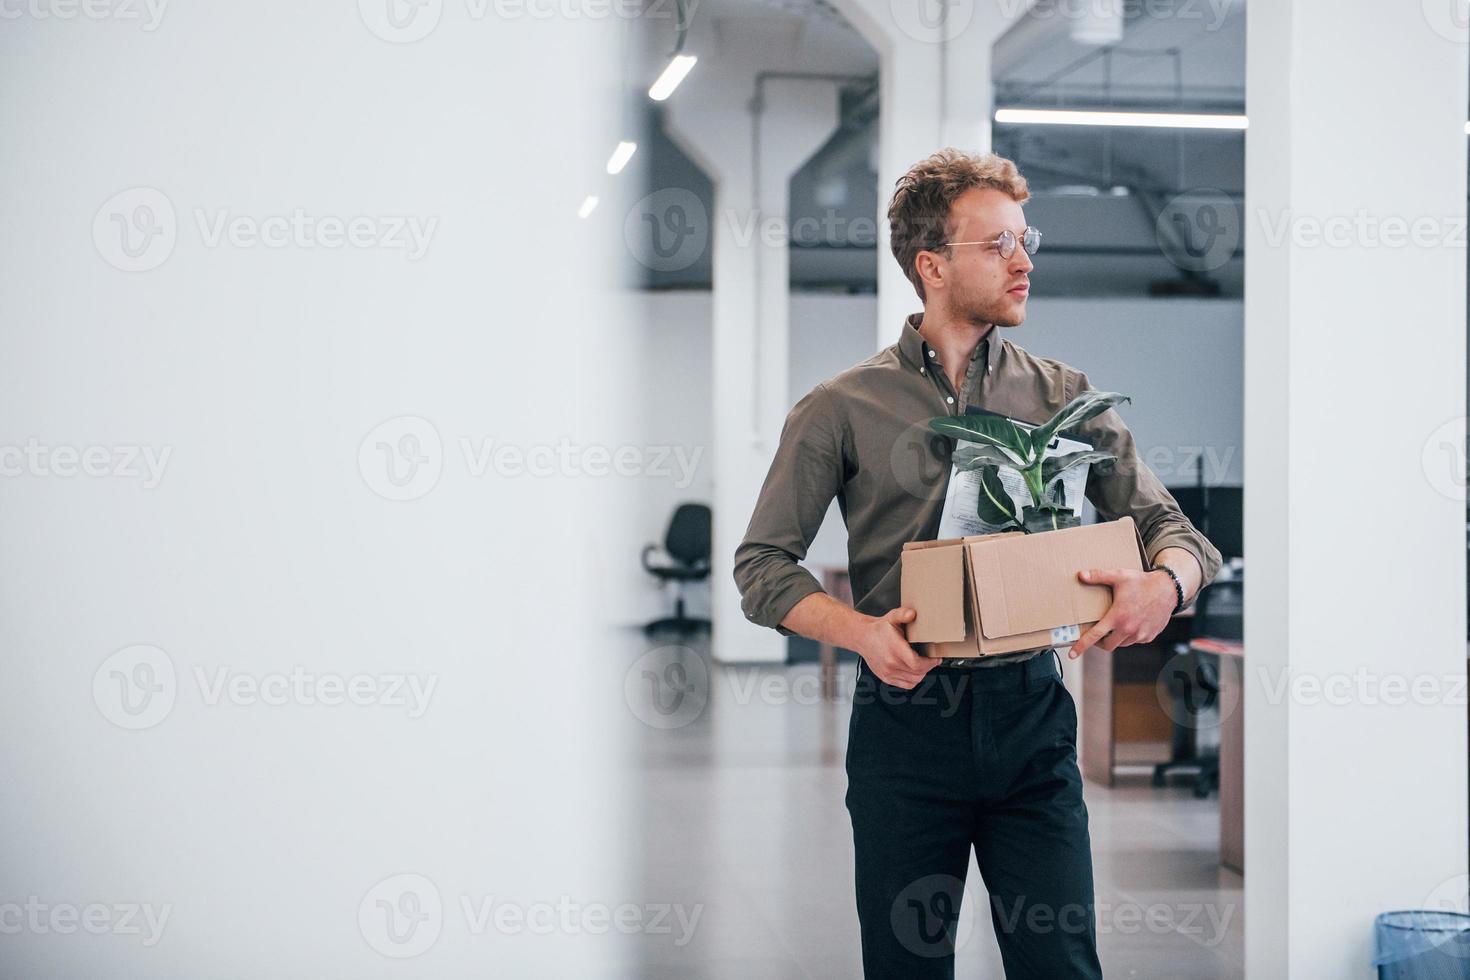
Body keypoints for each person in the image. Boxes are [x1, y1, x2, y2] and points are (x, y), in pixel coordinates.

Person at [733, 148, 1222, 978]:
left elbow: (1173, 529)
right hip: (905, 721)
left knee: (1061, 962)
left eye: (1026, 239)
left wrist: (1165, 582)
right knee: (908, 964)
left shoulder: (1064, 393)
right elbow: (762, 565)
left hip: (1032, 714)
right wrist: (858, 634)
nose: (1024, 260)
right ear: (931, 265)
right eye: (998, 244)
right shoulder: (840, 408)